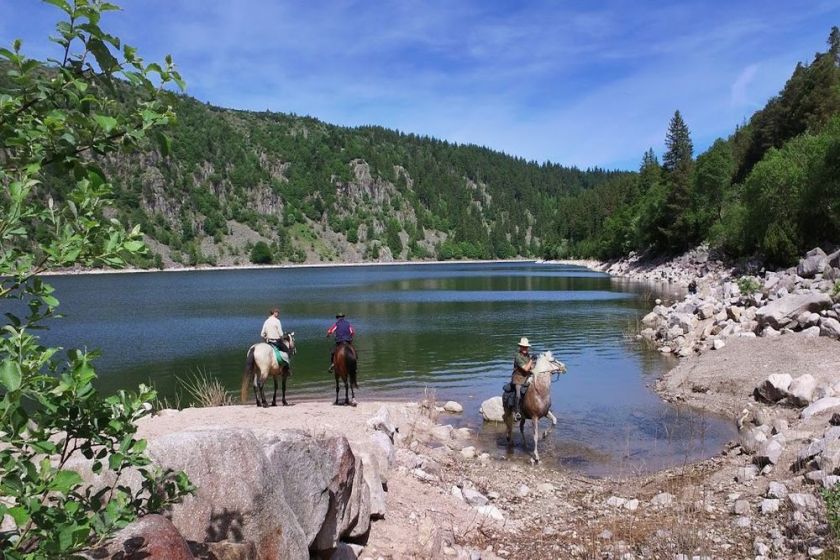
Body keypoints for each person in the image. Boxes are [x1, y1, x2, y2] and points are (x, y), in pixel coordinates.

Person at [511, 337, 534, 422]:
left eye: (526, 347)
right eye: (523, 347)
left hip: (527, 377)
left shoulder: (527, 355)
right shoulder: (517, 356)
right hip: (518, 379)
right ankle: (516, 412)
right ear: (520, 347)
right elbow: (526, 368)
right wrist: (531, 360)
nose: (525, 348)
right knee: (518, 394)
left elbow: (531, 367)